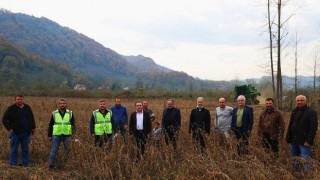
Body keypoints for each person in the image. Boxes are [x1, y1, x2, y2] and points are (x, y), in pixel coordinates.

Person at [286, 95, 318, 171]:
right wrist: (288, 137)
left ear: (306, 101)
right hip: (293, 140)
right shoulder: (294, 111)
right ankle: (297, 174)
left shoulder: (311, 112)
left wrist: (308, 141)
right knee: (294, 158)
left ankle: (308, 175)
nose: (299, 102)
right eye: (298, 101)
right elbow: (290, 124)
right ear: (296, 102)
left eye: (301, 100)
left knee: (306, 160)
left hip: (304, 141)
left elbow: (313, 128)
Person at [2, 95, 36, 167]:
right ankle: (13, 164)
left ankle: (26, 164)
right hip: (15, 133)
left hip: (26, 132)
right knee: (14, 149)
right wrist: (9, 128)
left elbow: (31, 118)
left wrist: (33, 127)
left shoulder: (27, 107)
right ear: (15, 100)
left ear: (23, 99)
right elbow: (4, 119)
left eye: (21, 99)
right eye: (18, 99)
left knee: (25, 149)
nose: (20, 100)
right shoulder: (11, 108)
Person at [48, 98, 76, 169]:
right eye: (61, 103)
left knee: (68, 150)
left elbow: (73, 124)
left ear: (66, 104)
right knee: (54, 150)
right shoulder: (54, 113)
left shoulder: (70, 113)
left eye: (63, 103)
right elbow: (51, 124)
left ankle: (68, 165)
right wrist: (49, 135)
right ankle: (51, 165)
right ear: (59, 104)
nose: (62, 105)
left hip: (67, 135)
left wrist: (74, 134)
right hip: (56, 135)